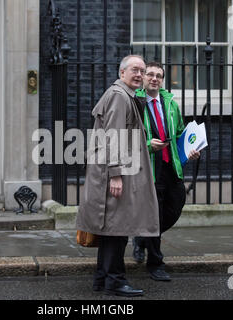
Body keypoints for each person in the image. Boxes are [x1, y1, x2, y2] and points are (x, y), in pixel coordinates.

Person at [76, 55, 160, 297]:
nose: (139, 75)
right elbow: (113, 137)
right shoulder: (119, 96)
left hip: (114, 173)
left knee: (111, 228)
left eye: (142, 71)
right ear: (122, 72)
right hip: (112, 175)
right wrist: (115, 174)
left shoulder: (126, 96)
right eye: (135, 70)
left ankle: (102, 279)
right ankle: (115, 280)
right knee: (116, 229)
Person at [133, 61, 200, 281]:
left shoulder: (170, 103)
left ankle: (142, 239)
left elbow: (180, 132)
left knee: (175, 206)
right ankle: (155, 263)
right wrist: (145, 143)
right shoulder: (136, 102)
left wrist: (190, 150)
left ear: (162, 79)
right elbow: (125, 134)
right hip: (150, 167)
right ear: (143, 78)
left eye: (158, 75)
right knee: (155, 214)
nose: (154, 78)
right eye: (150, 74)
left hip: (171, 165)